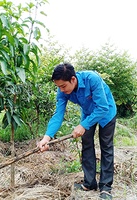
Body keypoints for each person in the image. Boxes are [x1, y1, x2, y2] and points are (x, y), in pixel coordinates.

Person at [37, 63, 117, 199]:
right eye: (58, 87)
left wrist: (84, 125)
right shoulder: (62, 91)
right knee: (86, 145)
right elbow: (58, 114)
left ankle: (105, 187)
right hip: (87, 114)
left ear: (73, 79)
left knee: (106, 146)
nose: (61, 90)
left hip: (106, 112)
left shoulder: (92, 79)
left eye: (63, 86)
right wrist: (47, 137)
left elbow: (102, 107)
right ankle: (90, 183)